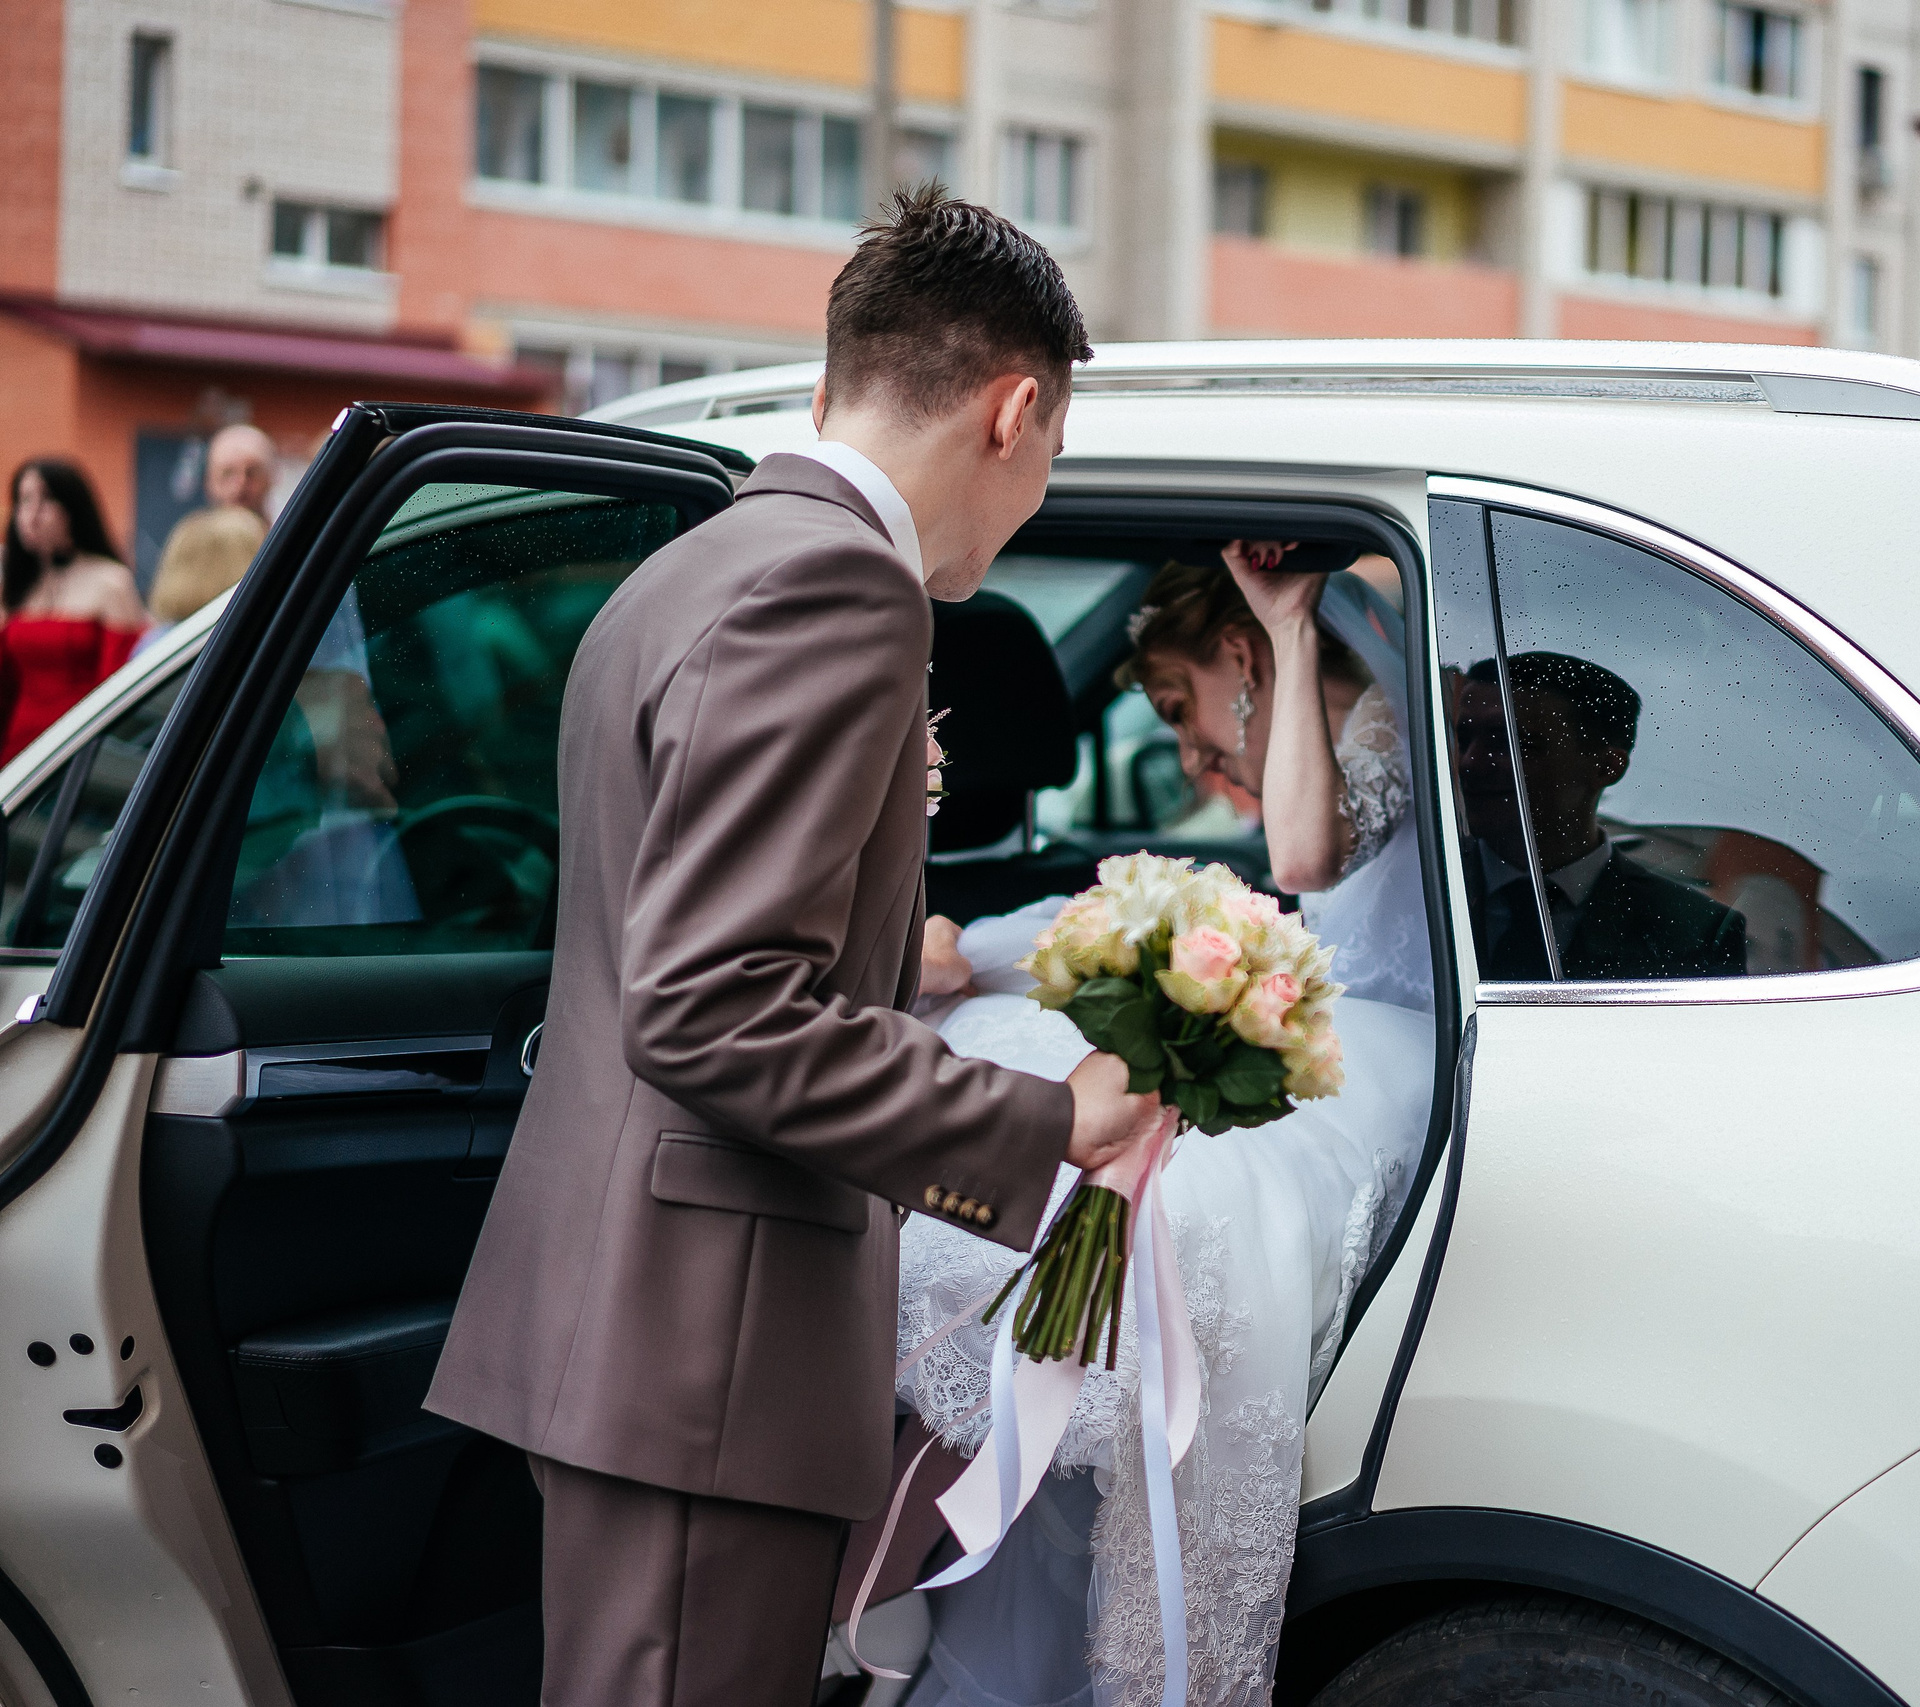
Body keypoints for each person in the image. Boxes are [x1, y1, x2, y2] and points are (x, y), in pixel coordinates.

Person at [423, 188, 1170, 1707]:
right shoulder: (842, 588)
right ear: (1017, 411)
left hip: (637, 1323)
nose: (1034, 493)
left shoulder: (693, 565)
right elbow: (708, 1005)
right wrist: (1049, 1121)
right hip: (709, 1343)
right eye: (1055, 454)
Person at [876, 546, 1437, 1707]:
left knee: (1200, 1199)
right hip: (1350, 1022)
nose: (1189, 757)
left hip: (1391, 1040)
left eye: (1183, 709)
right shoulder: (1361, 715)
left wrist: (1285, 626)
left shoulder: (1383, 720)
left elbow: (1298, 859)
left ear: (1237, 656)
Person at [1455, 651, 1746, 981]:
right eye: (1462, 739)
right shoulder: (1417, 882)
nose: (1469, 762)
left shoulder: (1693, 931)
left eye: (1511, 743)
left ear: (1606, 767)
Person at [3, 459, 149, 763]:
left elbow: (120, 683)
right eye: (23, 500)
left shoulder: (111, 580)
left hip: (80, 751)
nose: (30, 514)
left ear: (72, 507)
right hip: (17, 751)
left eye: (45, 499)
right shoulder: (18, 586)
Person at [151, 423, 279, 627]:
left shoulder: (292, 544)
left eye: (252, 472)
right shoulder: (191, 541)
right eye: (228, 473)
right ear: (208, 482)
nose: (240, 484)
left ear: (273, 477)